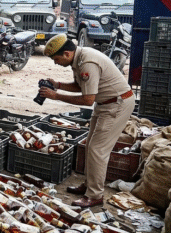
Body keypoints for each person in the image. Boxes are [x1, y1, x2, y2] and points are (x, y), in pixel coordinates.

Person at [40, 34, 135, 208]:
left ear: (67, 54)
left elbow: (87, 99)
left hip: (117, 104)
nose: (56, 63)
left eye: (56, 59)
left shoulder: (87, 63)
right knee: (90, 145)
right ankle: (89, 185)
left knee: (98, 150)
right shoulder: (79, 58)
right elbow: (82, 85)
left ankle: (95, 194)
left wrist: (56, 96)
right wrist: (58, 85)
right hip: (106, 102)